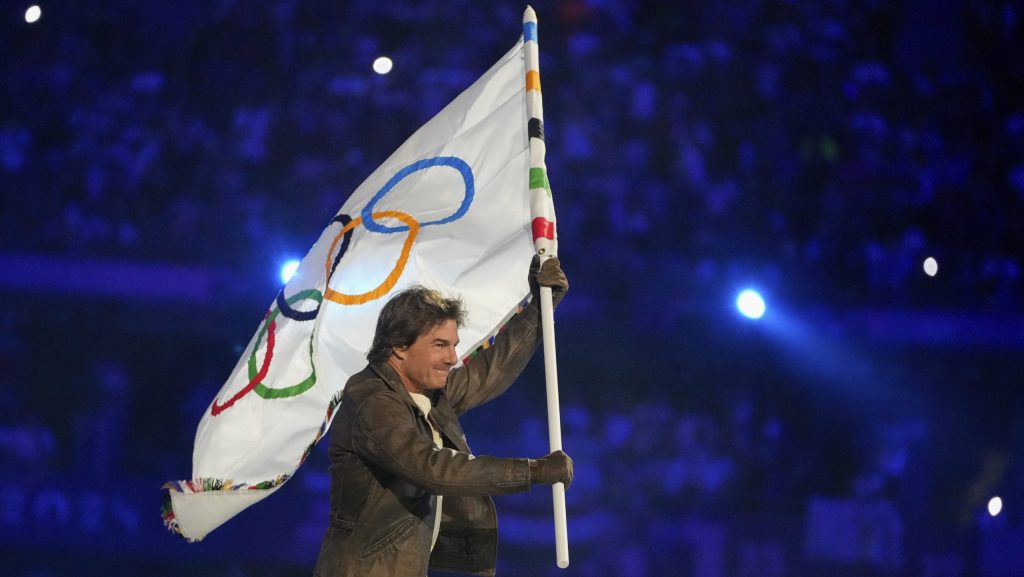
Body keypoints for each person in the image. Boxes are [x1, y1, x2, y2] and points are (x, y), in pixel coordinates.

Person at [313, 256, 574, 577]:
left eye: (453, 345)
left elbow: (490, 372)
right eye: (440, 345)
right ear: (399, 347)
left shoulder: (425, 392)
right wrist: (532, 471)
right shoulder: (372, 400)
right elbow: (432, 468)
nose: (452, 358)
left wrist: (540, 309)